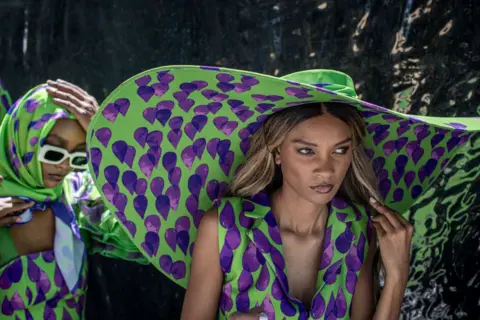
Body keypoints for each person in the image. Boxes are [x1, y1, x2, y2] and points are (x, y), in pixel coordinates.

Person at [84, 66, 479, 319]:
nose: (326, 168)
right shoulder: (224, 228)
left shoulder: (356, 230)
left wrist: (395, 278)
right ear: (275, 151)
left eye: (340, 150)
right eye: (306, 151)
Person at [0, 81, 146, 320]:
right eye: (54, 152)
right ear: (23, 139)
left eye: (79, 155)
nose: (65, 165)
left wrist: (108, 140)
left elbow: (144, 235)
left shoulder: (75, 194)